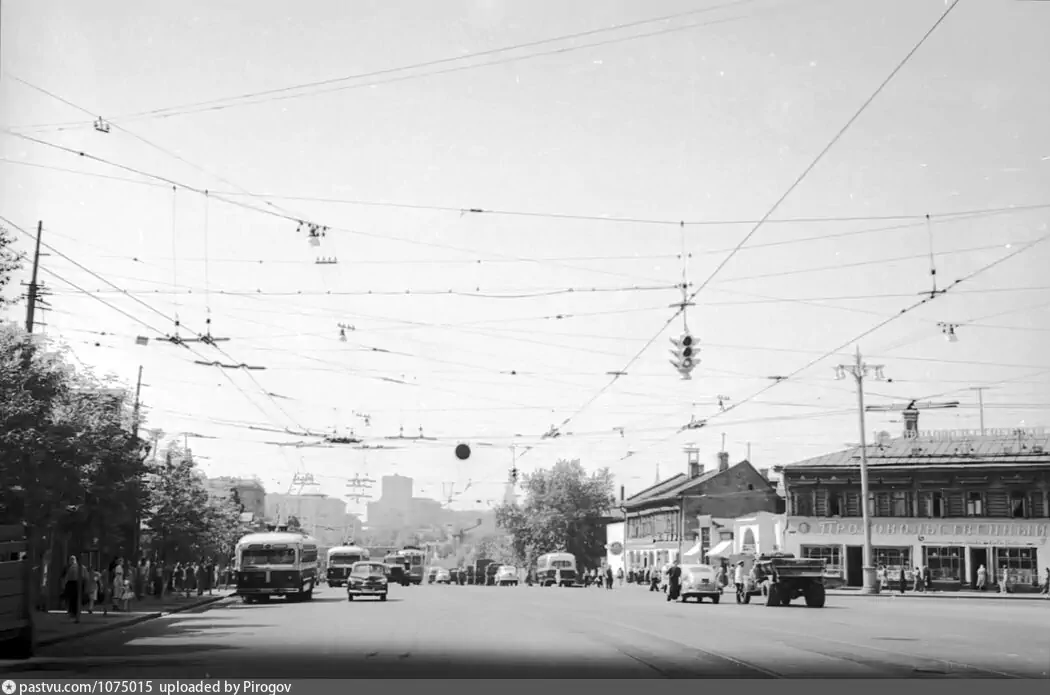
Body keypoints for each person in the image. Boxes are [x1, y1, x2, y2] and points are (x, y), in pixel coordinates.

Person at [62, 556, 82, 623]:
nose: (71, 561)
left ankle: (73, 613)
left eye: (71, 560)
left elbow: (67, 577)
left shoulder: (71, 567)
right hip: (75, 584)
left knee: (72, 600)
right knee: (74, 600)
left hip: (72, 584)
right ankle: (74, 613)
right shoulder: (76, 567)